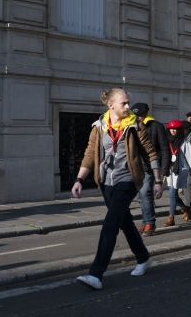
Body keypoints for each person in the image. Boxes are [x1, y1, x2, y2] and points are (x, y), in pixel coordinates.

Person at [72, 88, 162, 289]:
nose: (128, 107)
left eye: (128, 103)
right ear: (111, 105)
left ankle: (96, 274)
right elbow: (89, 154)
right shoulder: (99, 127)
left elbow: (151, 152)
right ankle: (143, 257)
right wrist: (79, 179)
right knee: (125, 222)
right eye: (124, 103)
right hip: (106, 183)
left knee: (110, 224)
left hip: (127, 180)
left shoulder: (136, 125)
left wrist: (157, 180)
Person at [130, 102, 171, 236]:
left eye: (140, 115)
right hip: (136, 167)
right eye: (136, 115)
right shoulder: (132, 126)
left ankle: (150, 222)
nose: (138, 118)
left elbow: (164, 149)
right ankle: (145, 221)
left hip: (150, 166)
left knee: (145, 192)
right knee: (140, 196)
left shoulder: (156, 126)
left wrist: (164, 169)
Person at [164, 120, 191, 226]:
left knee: (172, 193)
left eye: (175, 129)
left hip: (180, 171)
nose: (173, 131)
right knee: (173, 194)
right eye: (171, 129)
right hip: (169, 170)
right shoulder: (166, 141)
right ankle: (185, 209)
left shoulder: (184, 142)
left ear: (179, 130)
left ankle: (171, 217)